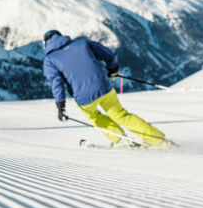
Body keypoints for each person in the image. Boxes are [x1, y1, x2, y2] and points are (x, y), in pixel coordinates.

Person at [41, 29, 169, 148]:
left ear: (46, 44)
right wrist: (113, 69)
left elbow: (57, 84)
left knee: (95, 117)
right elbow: (108, 54)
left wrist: (60, 106)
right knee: (121, 115)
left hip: (83, 97)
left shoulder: (50, 60)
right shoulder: (83, 43)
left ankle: (122, 141)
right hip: (104, 86)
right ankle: (159, 141)